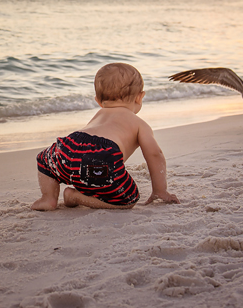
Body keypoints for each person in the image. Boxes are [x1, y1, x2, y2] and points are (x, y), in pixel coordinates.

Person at [32, 62, 179, 210]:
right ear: (139, 98)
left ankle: (48, 197)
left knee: (45, 160)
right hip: (102, 155)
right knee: (128, 199)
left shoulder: (99, 115)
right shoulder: (139, 123)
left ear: (98, 101)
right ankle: (75, 196)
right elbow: (155, 154)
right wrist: (160, 190)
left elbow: (85, 147)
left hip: (69, 146)